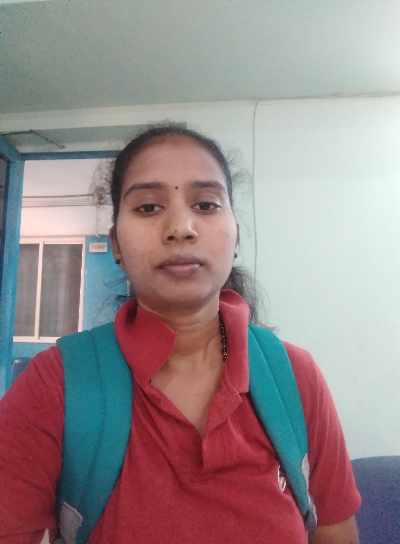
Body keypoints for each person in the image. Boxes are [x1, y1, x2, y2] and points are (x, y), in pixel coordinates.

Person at [0, 124, 361, 543]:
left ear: (236, 236)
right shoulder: (54, 384)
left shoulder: (295, 377)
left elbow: (335, 533)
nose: (181, 227)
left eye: (206, 204)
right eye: (148, 207)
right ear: (116, 244)